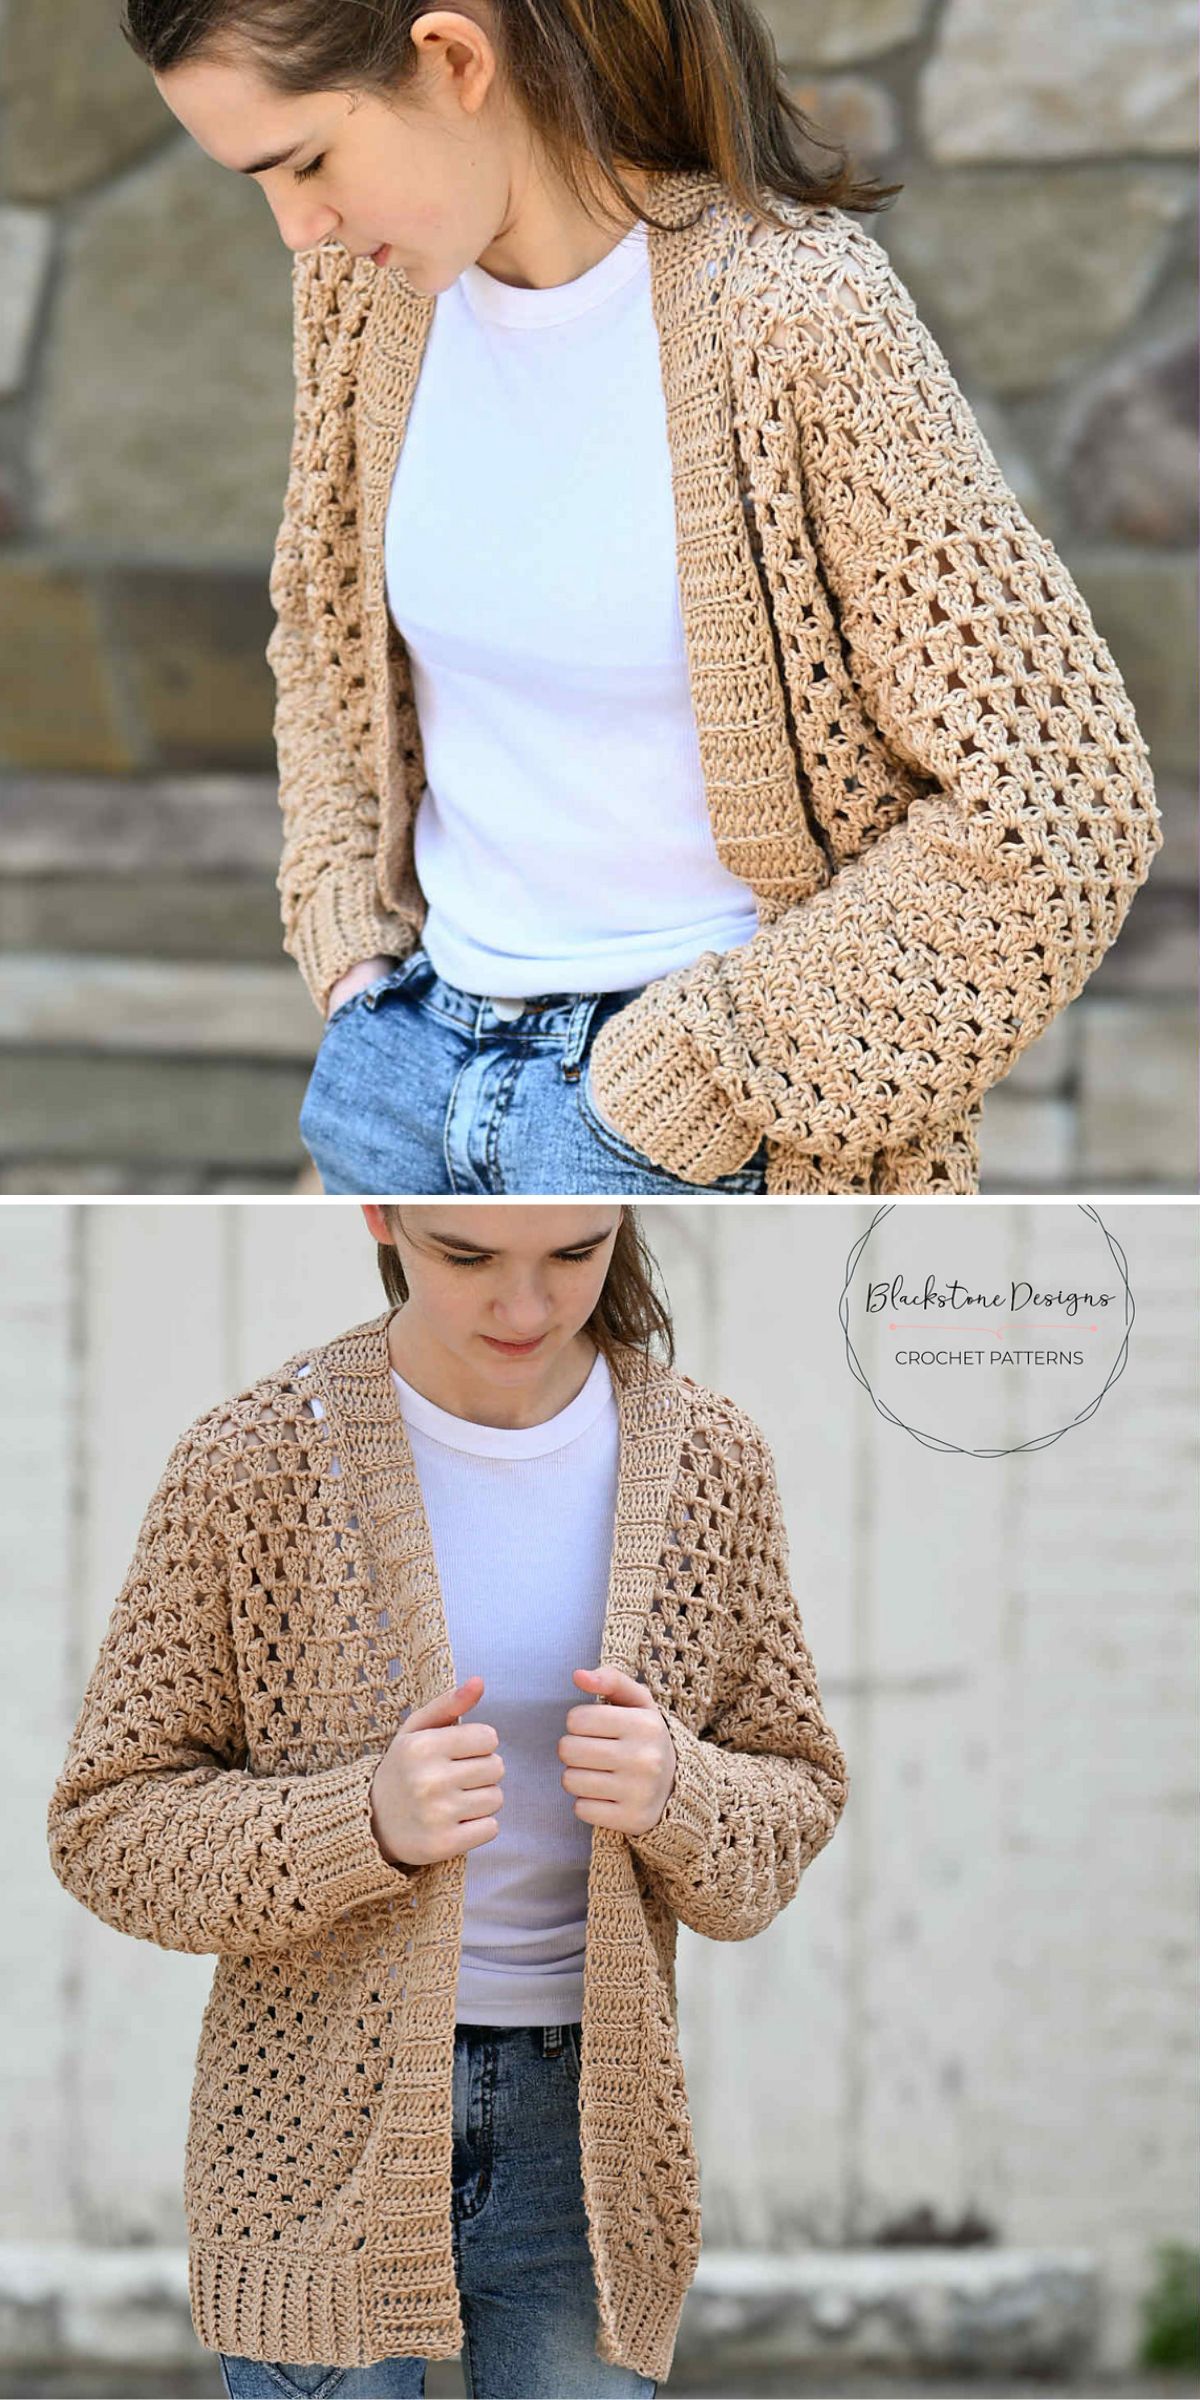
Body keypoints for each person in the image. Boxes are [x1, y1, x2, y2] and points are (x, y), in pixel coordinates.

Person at [120, 0, 1163, 1198]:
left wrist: (694, 1074)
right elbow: (325, 636)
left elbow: (1062, 806)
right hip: (405, 1078)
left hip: (692, 1129)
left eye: (307, 161)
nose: (297, 227)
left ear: (453, 58)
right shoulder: (366, 301)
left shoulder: (794, 311)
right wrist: (350, 949)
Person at [46, 1202, 848, 2397]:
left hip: (587, 2137)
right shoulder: (253, 1461)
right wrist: (357, 1825)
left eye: (574, 1255)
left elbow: (797, 1785)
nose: (525, 1307)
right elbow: (106, 1825)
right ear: (383, 1213)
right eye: (467, 1256)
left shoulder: (706, 1462)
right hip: (309, 2133)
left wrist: (679, 1791)